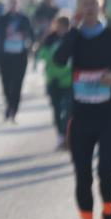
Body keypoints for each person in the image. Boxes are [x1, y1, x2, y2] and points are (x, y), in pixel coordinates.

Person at [53, 0, 111, 219]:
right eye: (84, 3)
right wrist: (72, 30)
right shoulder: (74, 37)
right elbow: (59, 60)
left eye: (93, 3)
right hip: (81, 118)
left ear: (101, 7)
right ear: (77, 8)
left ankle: (108, 216)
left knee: (107, 173)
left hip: (109, 116)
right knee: (82, 178)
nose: (89, 7)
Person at [35, 15, 73, 149]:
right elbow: (42, 55)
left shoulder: (73, 38)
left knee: (69, 109)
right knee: (56, 109)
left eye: (65, 25)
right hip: (53, 80)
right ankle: (60, 135)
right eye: (60, 25)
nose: (63, 28)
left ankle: (67, 134)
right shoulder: (49, 39)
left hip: (69, 81)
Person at [0, 0, 33, 122]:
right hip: (6, 55)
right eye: (10, 3)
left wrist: (22, 35)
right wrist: (6, 33)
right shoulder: (2, 19)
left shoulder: (24, 18)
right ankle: (8, 104)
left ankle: (14, 109)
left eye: (15, 3)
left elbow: (30, 34)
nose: (13, 6)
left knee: (17, 84)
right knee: (6, 83)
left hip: (20, 56)